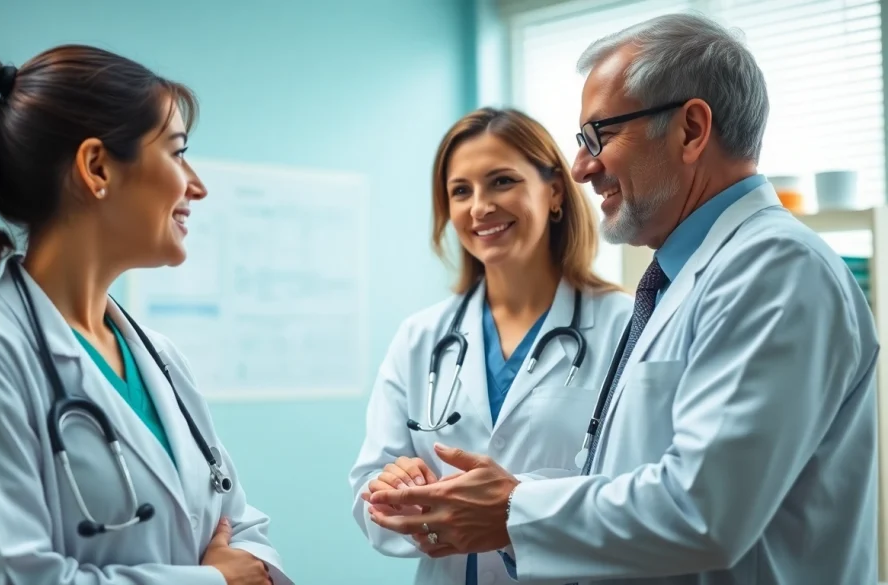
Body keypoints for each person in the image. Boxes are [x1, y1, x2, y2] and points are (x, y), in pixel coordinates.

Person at [365, 12, 879, 585]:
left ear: (690, 130)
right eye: (459, 191)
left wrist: (512, 510)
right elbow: (627, 483)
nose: (584, 166)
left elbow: (702, 511)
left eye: (599, 135)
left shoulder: (775, 270)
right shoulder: (676, 283)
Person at [0, 44, 292, 585]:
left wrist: (242, 568)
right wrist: (212, 582)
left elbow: (241, 531)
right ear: (97, 167)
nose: (196, 184)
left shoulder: (158, 357)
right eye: (175, 153)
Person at [348, 107, 633, 584]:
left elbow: (640, 493)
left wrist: (514, 507)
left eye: (502, 181)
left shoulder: (625, 327)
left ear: (555, 191)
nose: (480, 207)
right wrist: (398, 491)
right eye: (461, 191)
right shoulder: (421, 337)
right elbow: (368, 491)